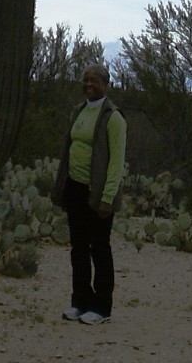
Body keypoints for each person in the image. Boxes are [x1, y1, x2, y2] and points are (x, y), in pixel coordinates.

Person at [52, 63, 127, 325]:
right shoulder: (79, 111)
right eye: (85, 80)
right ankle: (80, 301)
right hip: (75, 187)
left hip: (98, 193)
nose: (88, 85)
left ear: (105, 84)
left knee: (100, 248)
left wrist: (108, 197)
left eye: (94, 80)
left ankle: (102, 307)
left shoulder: (113, 117)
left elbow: (116, 161)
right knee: (79, 248)